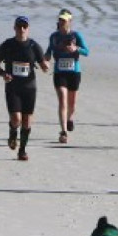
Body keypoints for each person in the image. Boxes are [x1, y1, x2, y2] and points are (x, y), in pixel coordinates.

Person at [0, 16, 48, 161]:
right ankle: (12, 132)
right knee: (16, 119)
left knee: (27, 121)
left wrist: (46, 66)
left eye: (25, 26)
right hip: (13, 87)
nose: (22, 29)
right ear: (14, 28)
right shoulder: (7, 45)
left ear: (28, 29)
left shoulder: (34, 46)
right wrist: (2, 73)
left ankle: (22, 150)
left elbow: (44, 65)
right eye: (19, 26)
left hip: (30, 87)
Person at [44, 9, 90, 144]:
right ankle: (63, 131)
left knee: (72, 102)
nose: (62, 22)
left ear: (70, 21)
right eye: (61, 20)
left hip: (74, 72)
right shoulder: (54, 36)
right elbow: (48, 52)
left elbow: (87, 52)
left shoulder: (76, 36)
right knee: (62, 100)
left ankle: (69, 118)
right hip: (59, 72)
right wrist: (45, 60)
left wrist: (76, 49)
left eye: (65, 20)